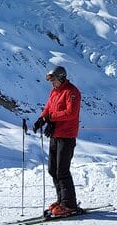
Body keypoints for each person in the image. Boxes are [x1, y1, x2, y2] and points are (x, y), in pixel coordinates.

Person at [33, 65, 82, 216]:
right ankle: (61, 201)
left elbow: (71, 113)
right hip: (55, 134)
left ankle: (69, 204)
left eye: (53, 80)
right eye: (51, 80)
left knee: (62, 170)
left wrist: (50, 118)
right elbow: (48, 107)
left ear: (61, 78)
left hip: (66, 136)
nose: (52, 83)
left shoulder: (71, 92)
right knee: (52, 169)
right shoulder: (54, 91)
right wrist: (42, 119)